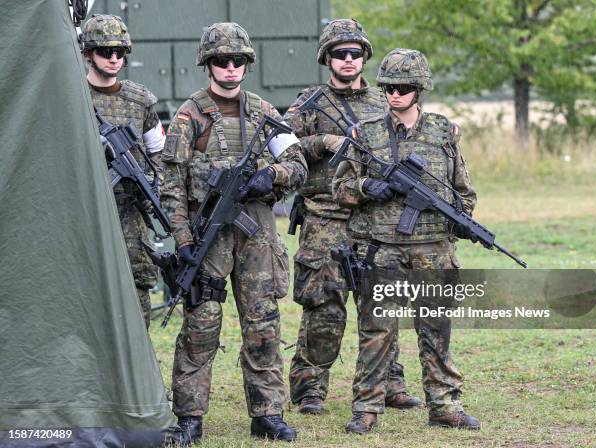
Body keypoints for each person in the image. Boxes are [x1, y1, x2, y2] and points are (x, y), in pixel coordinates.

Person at [160, 22, 307, 445]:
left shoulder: (265, 112)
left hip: (257, 234)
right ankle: (189, 416)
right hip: (207, 236)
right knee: (201, 327)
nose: (230, 68)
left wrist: (270, 176)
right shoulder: (190, 114)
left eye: (237, 60)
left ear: (247, 64)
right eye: (222, 61)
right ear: (208, 64)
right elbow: (171, 184)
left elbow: (297, 164)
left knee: (263, 325)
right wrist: (184, 240)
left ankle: (267, 413)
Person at [333, 48, 481, 433]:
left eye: (403, 87)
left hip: (433, 251)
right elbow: (340, 189)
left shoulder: (443, 132)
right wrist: (369, 186)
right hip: (381, 249)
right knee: (376, 331)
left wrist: (459, 218)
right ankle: (366, 408)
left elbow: (464, 191)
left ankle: (445, 405)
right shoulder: (365, 134)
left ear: (419, 90)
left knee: (436, 329)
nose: (394, 94)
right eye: (388, 87)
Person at [283, 18, 420, 417]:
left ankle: (390, 383)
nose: (347, 60)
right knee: (323, 306)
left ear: (364, 57)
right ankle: (310, 389)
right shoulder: (311, 102)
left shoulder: (384, 100)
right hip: (325, 217)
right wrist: (323, 142)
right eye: (340, 53)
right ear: (327, 58)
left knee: (382, 305)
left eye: (355, 53)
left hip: (375, 218)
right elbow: (282, 145)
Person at [81, 14, 165, 329]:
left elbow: (159, 153)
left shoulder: (140, 99)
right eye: (105, 52)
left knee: (138, 286)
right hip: (87, 210)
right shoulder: (74, 96)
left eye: (120, 52)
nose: (114, 58)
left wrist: (151, 189)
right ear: (88, 54)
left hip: (131, 210)